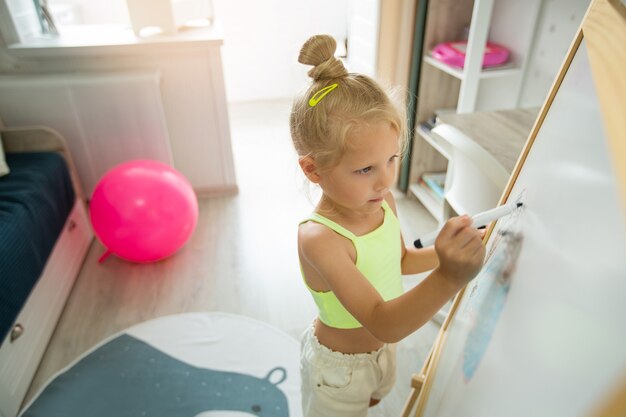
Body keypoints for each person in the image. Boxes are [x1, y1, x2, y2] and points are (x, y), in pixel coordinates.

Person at [289, 34, 486, 417]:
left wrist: (456, 247)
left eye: (391, 160)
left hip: (382, 353)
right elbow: (383, 321)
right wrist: (449, 275)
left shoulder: (382, 201)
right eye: (365, 169)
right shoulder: (320, 238)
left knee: (375, 402)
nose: (385, 181)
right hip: (338, 370)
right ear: (314, 169)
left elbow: (401, 261)